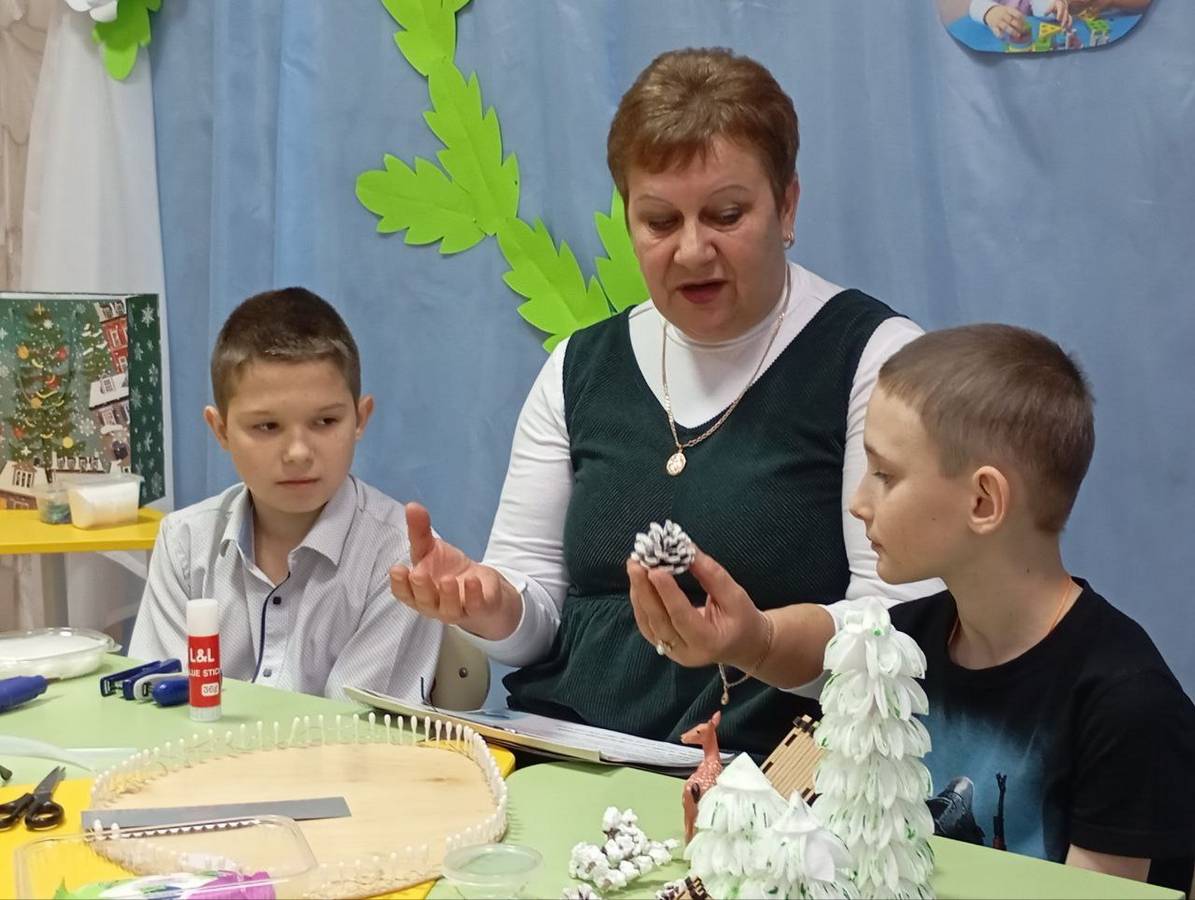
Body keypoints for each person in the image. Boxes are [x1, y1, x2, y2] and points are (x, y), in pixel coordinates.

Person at [390, 47, 936, 757]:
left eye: (726, 214)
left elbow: (902, 627)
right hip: (565, 749)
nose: (692, 250)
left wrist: (760, 642)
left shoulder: (876, 359)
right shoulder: (579, 367)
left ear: (787, 206)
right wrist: (491, 604)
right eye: (658, 222)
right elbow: (535, 625)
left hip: (765, 777)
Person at [630, 324, 1195, 888]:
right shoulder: (905, 641)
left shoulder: (1128, 708)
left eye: (885, 474)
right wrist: (746, 640)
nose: (858, 502)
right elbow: (817, 653)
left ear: (983, 501)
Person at [130, 288, 441, 702]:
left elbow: (358, 726)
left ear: (360, 418)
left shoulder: (399, 556)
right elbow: (157, 701)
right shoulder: (184, 543)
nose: (298, 453)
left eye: (325, 421)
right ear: (220, 429)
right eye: (267, 426)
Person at [971, 0, 1072, 41]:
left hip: (1024, 41)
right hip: (993, 42)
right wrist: (990, 12)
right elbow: (976, 4)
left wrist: (1053, 6)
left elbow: (1040, 5)